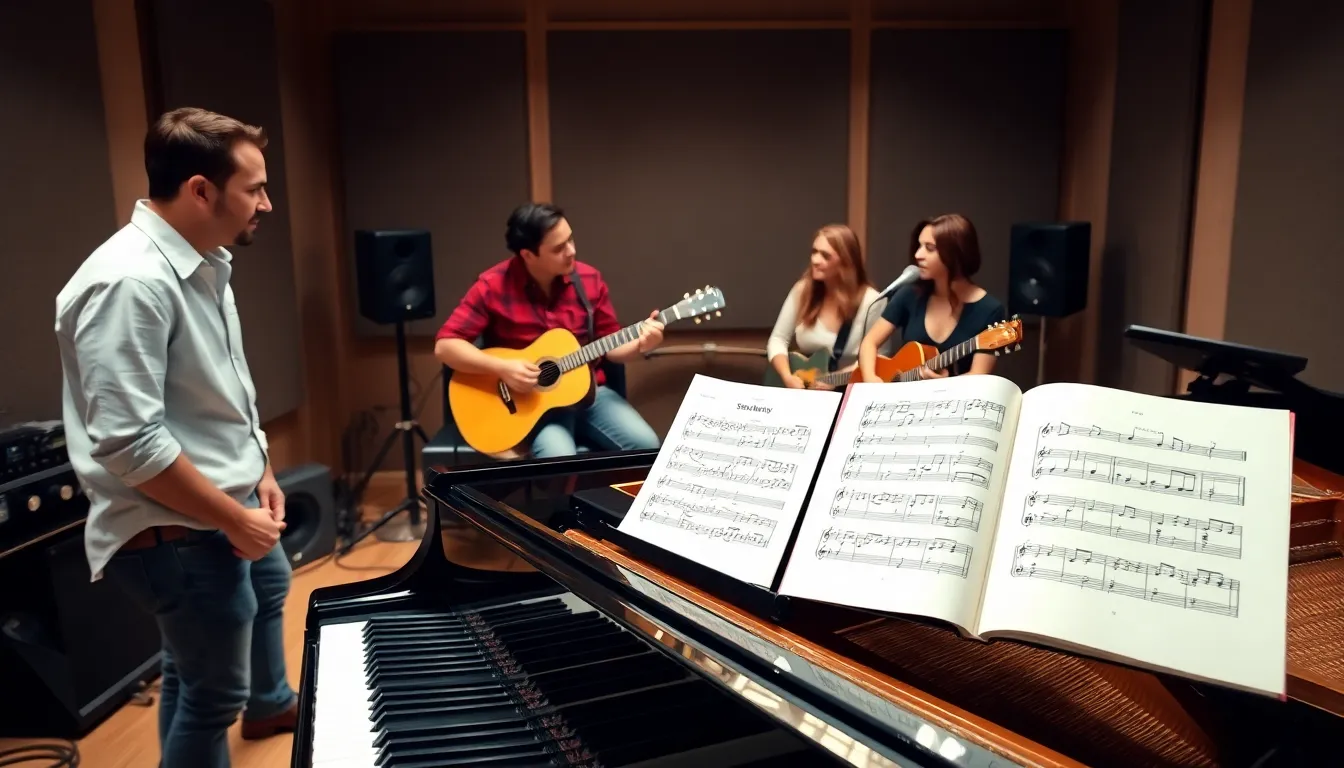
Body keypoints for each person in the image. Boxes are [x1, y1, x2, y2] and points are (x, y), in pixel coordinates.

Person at [54, 107, 295, 768]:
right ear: (200, 190)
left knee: (246, 615)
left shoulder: (204, 259)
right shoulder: (129, 282)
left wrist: (261, 469)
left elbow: (220, 390)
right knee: (213, 696)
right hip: (177, 530)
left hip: (224, 505)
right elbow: (131, 444)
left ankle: (271, 703)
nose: (266, 204)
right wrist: (232, 519)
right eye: (255, 189)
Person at [434, 202, 664, 457]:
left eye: (570, 239)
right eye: (558, 248)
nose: (572, 251)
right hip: (529, 402)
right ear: (528, 255)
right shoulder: (492, 286)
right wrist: (503, 368)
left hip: (591, 395)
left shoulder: (589, 280)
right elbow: (446, 346)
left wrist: (642, 344)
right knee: (557, 459)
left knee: (646, 445)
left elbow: (611, 343)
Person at [857, 213, 1007, 381]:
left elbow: (978, 376)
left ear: (956, 254)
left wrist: (941, 384)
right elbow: (869, 342)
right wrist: (871, 378)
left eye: (929, 248)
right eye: (919, 246)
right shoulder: (909, 295)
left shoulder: (990, 310)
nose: (918, 255)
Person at [767, 224, 883, 389]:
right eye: (814, 252)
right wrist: (787, 377)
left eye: (825, 256)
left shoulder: (872, 302)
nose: (815, 260)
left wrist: (836, 380)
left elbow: (879, 359)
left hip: (849, 393)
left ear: (846, 261)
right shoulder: (802, 291)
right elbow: (778, 339)